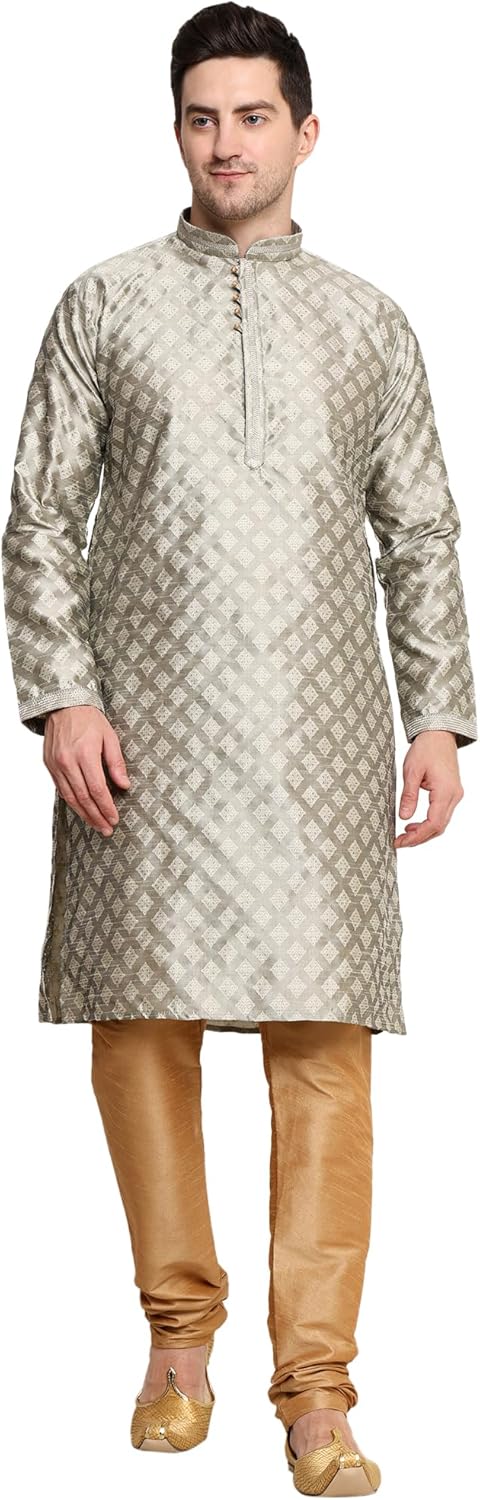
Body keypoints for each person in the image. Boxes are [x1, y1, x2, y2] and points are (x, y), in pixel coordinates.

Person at [2, 4, 477, 1492]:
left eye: (253, 116)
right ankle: (176, 1338)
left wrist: (439, 712)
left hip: (320, 735)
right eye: (202, 118)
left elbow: (421, 532)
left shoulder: (369, 321)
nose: (227, 144)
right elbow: (38, 521)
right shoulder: (102, 304)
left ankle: (318, 1391)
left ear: (306, 133)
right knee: (141, 1028)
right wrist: (61, 696)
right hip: (138, 729)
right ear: (176, 133)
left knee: (324, 1048)